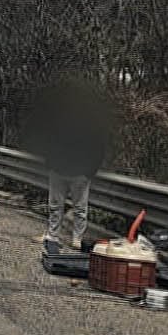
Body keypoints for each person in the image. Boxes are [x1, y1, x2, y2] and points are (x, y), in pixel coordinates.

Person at [24, 74, 111, 254]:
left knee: (77, 207)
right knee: (60, 205)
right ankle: (54, 235)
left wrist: (90, 170)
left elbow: (98, 146)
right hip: (61, 168)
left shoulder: (89, 121)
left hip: (77, 171)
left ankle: (75, 238)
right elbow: (49, 140)